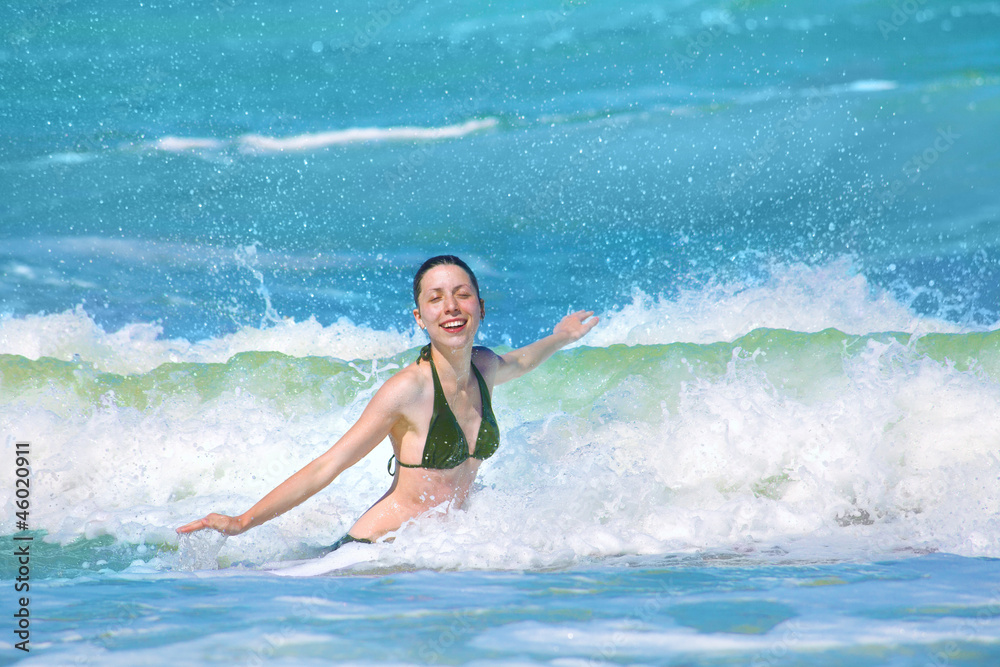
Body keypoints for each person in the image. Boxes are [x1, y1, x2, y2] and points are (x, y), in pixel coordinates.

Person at [176, 255, 598, 552]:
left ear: (480, 308)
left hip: (443, 552)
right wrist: (243, 521)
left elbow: (522, 360)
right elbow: (329, 464)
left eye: (462, 295)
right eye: (435, 298)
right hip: (376, 552)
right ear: (420, 317)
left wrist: (562, 337)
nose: (450, 306)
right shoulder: (408, 390)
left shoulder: (484, 367)